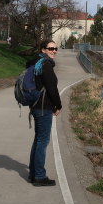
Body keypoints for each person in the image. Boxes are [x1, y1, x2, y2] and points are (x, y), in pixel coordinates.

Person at [27, 39, 62, 186]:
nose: (54, 51)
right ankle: (39, 177)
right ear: (43, 50)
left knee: (38, 139)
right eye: (50, 48)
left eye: (55, 48)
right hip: (43, 107)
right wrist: (58, 105)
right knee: (42, 141)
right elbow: (52, 88)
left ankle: (34, 173)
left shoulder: (37, 63)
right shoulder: (45, 65)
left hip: (36, 106)